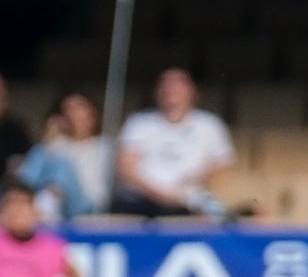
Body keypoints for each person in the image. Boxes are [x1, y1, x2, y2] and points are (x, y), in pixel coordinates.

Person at [112, 68, 235, 218]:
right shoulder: (139, 123)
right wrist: (161, 195)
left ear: (192, 91)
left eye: (178, 85)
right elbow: (126, 168)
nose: (170, 90)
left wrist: (192, 181)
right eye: (166, 85)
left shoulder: (210, 125)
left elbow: (222, 164)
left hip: (189, 200)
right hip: (140, 201)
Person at [22, 93, 112, 223]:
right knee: (39, 153)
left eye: (78, 108)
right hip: (54, 201)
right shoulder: (57, 144)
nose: (73, 114)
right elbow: (31, 174)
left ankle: (44, 206)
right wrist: (51, 138)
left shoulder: (104, 145)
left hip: (87, 205)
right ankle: (27, 203)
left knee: (64, 163)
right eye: (68, 109)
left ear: (92, 113)